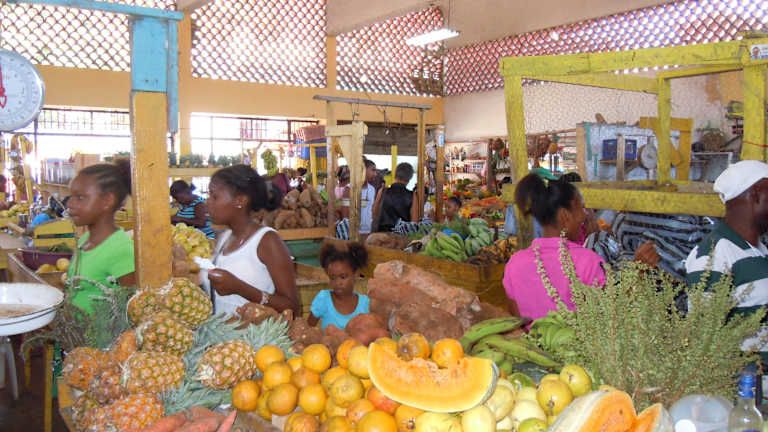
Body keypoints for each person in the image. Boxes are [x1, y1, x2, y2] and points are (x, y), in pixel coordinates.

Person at [685, 161, 768, 351]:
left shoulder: (759, 251)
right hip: (747, 371)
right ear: (756, 194)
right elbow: (703, 341)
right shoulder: (714, 256)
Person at [503, 173, 606, 320]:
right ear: (565, 215)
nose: (584, 216)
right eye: (580, 209)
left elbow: (516, 319)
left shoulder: (515, 263)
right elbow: (604, 320)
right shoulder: (589, 262)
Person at [204, 164, 300, 315]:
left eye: (215, 197)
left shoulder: (267, 241)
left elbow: (292, 308)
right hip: (223, 329)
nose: (208, 202)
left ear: (240, 201)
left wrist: (240, 288)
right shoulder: (225, 238)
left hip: (252, 331)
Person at [66, 159, 135, 315]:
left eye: (80, 197)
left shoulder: (121, 251)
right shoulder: (84, 240)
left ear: (107, 201)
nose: (70, 204)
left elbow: (132, 310)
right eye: (71, 196)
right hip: (74, 329)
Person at [308, 242, 370, 330]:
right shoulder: (324, 299)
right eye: (332, 277)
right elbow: (307, 329)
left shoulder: (365, 304)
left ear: (356, 274)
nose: (337, 282)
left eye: (343, 277)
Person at [373, 162, 417, 232]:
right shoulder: (412, 196)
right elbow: (414, 221)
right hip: (402, 234)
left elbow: (374, 213)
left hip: (382, 234)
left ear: (395, 175)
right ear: (410, 178)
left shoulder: (382, 191)